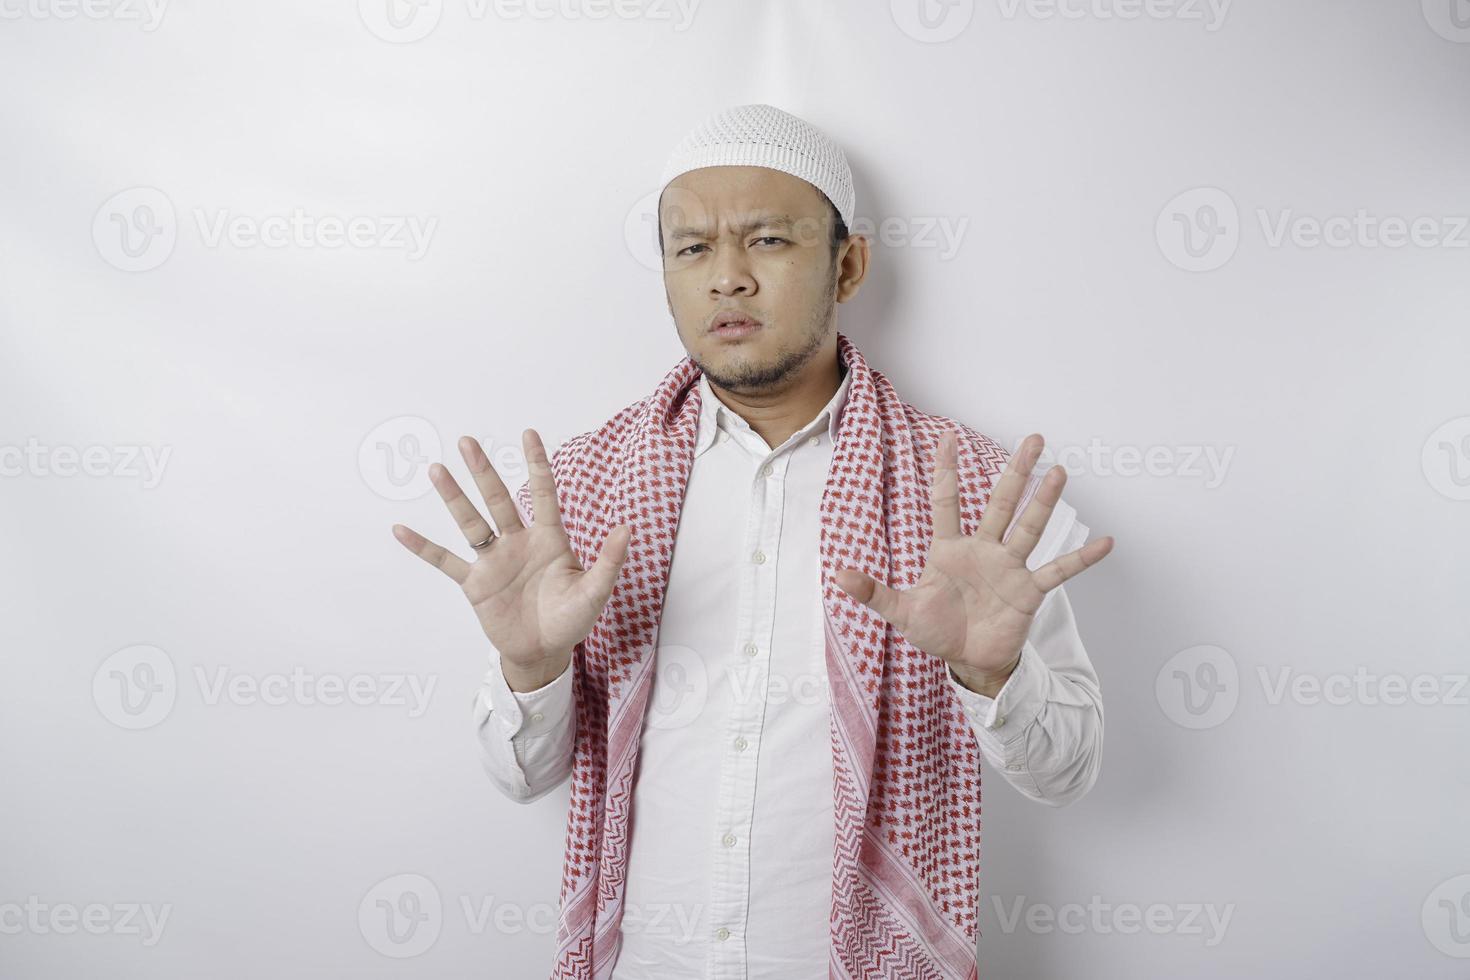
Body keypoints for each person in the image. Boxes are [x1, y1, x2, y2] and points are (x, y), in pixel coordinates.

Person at [392, 103, 1114, 980]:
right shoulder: (584, 490)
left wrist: (993, 674)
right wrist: (533, 669)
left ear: (847, 265)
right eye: (692, 248)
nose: (726, 278)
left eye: (769, 241)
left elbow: (1067, 774)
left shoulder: (970, 504)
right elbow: (520, 779)